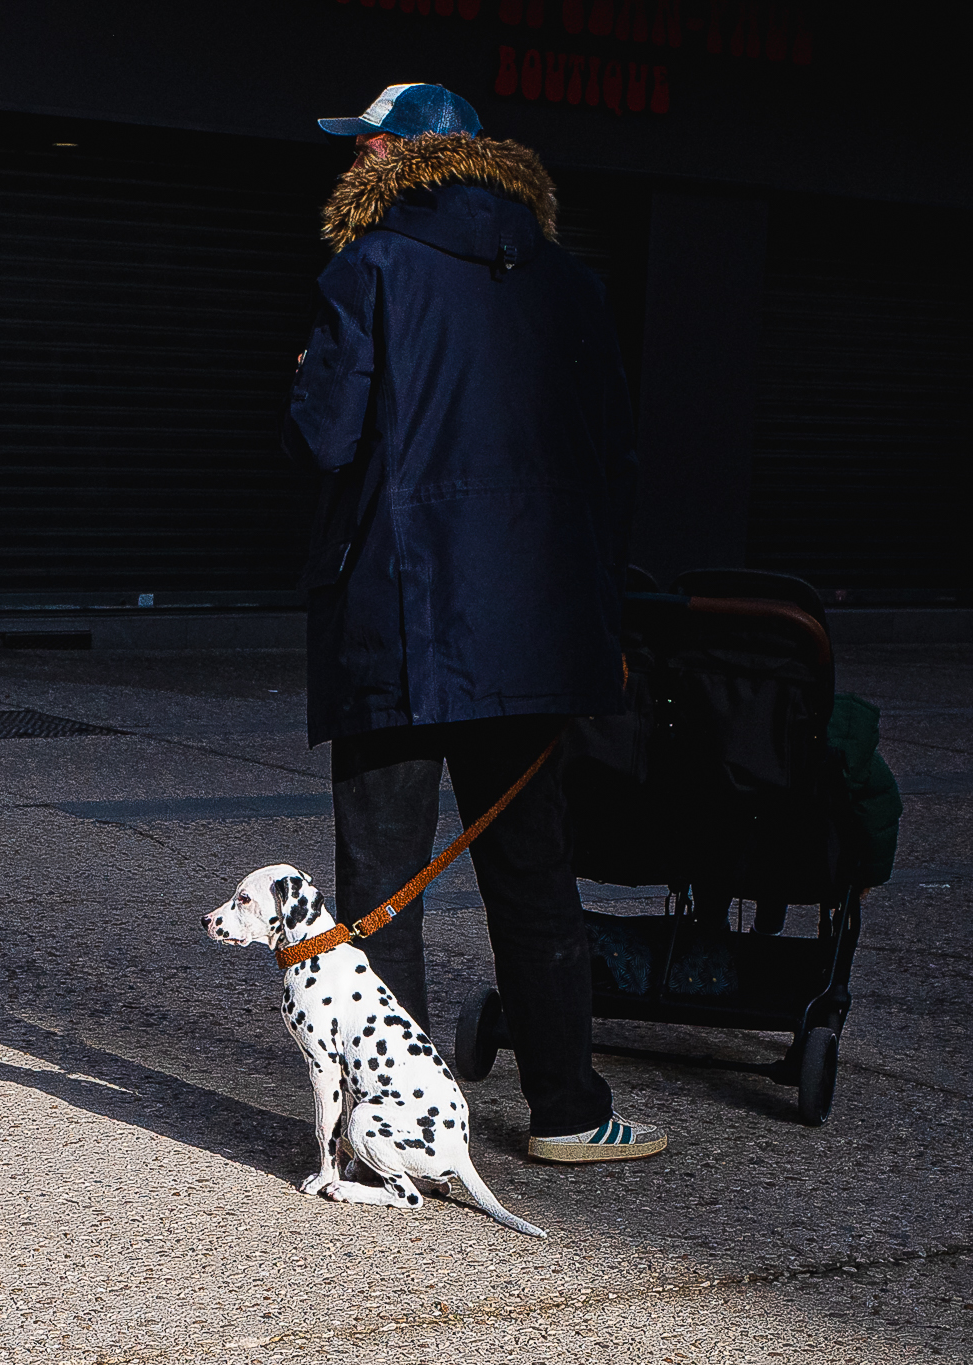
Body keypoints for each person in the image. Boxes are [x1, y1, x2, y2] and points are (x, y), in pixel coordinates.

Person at [283, 83, 655, 1163]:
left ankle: (389, 1128)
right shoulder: (571, 286)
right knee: (533, 870)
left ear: (401, 156)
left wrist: (305, 383)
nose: (351, 160)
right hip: (532, 627)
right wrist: (597, 614)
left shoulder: (367, 270)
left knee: (379, 884)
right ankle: (569, 1112)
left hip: (396, 619)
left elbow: (322, 440)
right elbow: (613, 464)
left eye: (365, 143)